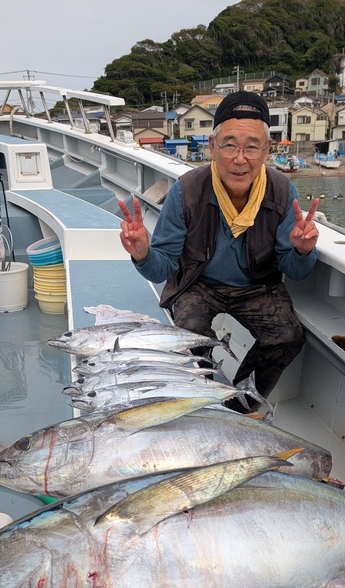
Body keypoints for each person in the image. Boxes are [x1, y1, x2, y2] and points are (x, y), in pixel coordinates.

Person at [118, 90, 320, 411]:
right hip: (198, 284)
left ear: (267, 150)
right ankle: (204, 398)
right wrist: (143, 253)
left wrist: (302, 251)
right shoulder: (186, 190)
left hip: (257, 287)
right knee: (188, 337)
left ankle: (239, 404)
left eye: (252, 146)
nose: (240, 158)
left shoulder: (282, 190)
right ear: (212, 147)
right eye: (229, 144)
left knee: (286, 336)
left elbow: (293, 270)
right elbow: (163, 268)